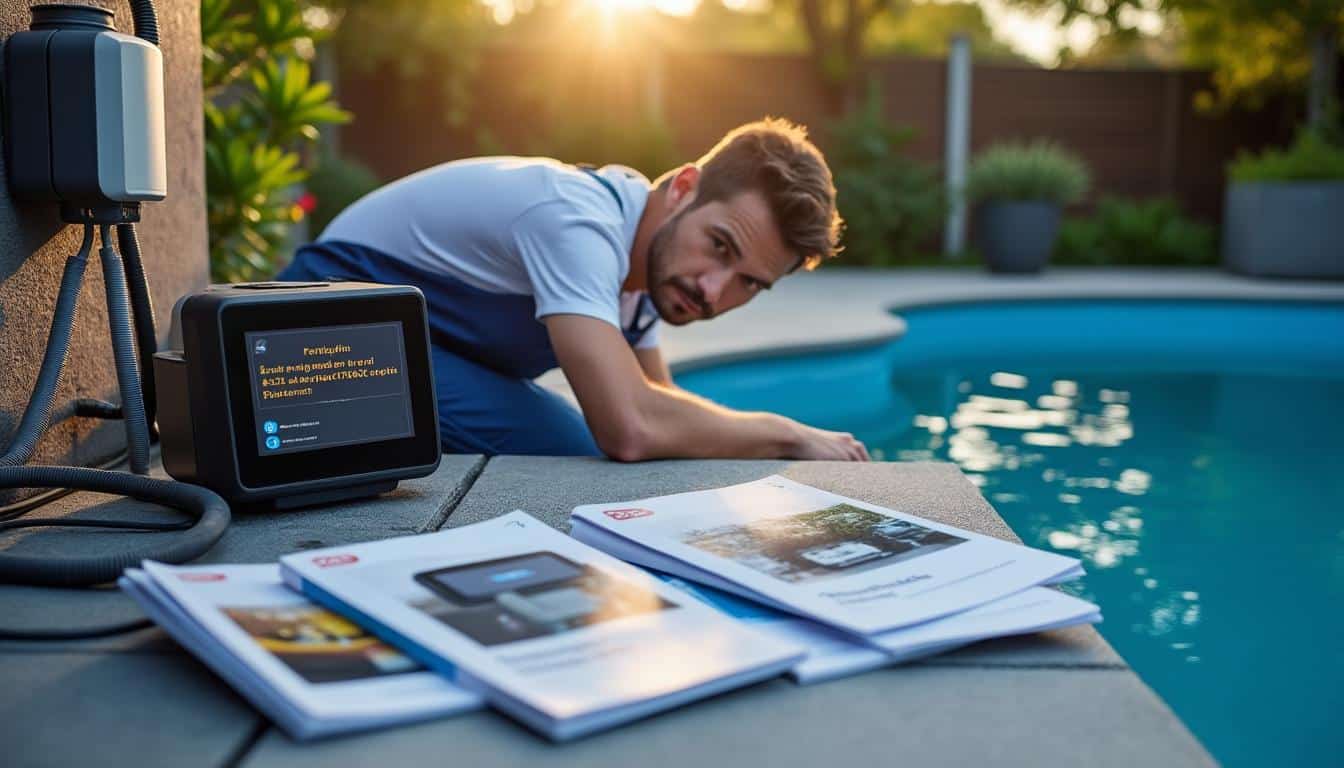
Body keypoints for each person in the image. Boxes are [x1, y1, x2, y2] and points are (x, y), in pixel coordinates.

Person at [278, 118, 869, 462]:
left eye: (749, 283)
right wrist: (789, 434)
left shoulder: (646, 278)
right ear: (685, 188)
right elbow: (632, 429)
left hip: (396, 343)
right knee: (580, 444)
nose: (714, 291)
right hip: (310, 328)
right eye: (719, 246)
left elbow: (666, 411)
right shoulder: (580, 220)